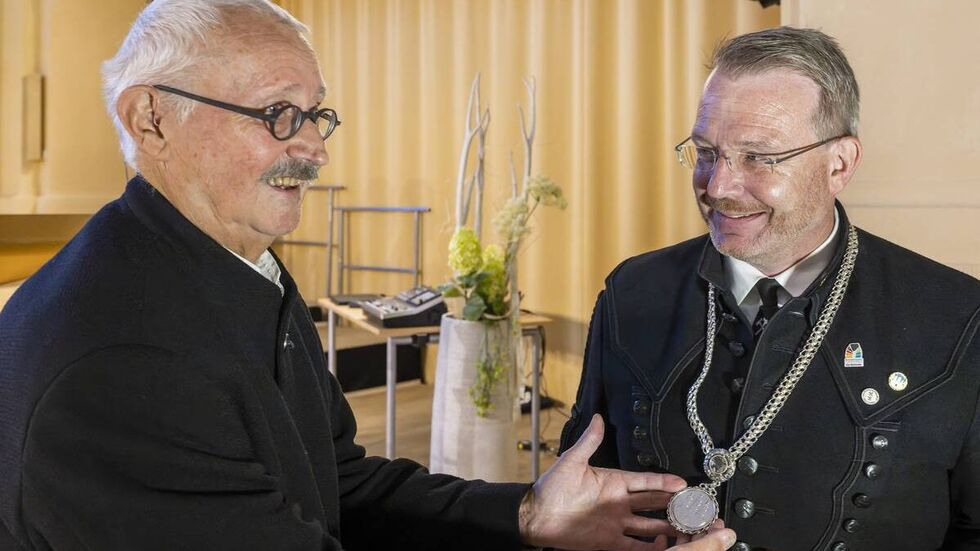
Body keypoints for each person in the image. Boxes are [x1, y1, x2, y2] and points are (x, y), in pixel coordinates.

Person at [0, 1, 738, 550]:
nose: (315, 148)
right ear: (150, 119)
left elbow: (338, 485)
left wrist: (526, 513)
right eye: (278, 113)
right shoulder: (121, 366)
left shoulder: (238, 263)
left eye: (315, 114)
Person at [559, 25, 980, 551]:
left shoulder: (958, 316)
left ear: (840, 164)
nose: (718, 186)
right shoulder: (631, 292)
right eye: (706, 151)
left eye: (759, 157)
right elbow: (580, 502)